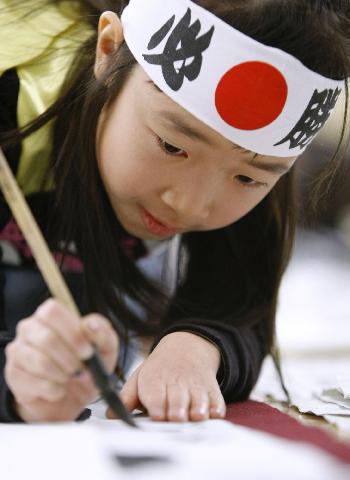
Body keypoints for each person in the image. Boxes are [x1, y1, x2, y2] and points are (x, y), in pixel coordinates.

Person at [0, 0, 348, 424]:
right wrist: (14, 387)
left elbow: (236, 300)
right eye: (171, 145)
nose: (190, 204)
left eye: (249, 179)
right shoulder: (13, 99)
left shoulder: (251, 148)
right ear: (108, 52)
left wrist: (195, 346)